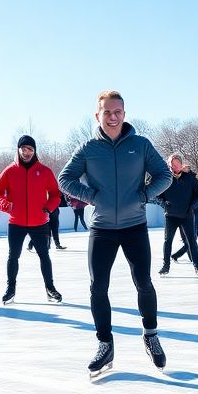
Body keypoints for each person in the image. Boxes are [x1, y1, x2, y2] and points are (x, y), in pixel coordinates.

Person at [59, 90, 172, 377]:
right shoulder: (87, 148)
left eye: (117, 111)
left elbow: (165, 175)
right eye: (107, 112)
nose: (112, 117)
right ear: (98, 115)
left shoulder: (141, 145)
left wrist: (144, 195)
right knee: (98, 287)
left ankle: (150, 334)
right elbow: (65, 179)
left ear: (124, 113)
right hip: (102, 228)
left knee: (144, 282)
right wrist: (92, 196)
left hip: (135, 226)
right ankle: (104, 343)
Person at [0, 135, 63, 304]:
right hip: (16, 223)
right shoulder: (10, 171)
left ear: (34, 151)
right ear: (18, 150)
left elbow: (55, 194)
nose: (27, 152)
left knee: (44, 256)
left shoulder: (44, 171)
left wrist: (48, 208)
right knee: (13, 256)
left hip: (40, 223)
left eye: (30, 149)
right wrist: (6, 206)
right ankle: (11, 289)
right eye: (24, 149)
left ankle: (50, 288)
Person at [159, 155, 198, 276]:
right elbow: (158, 195)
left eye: (178, 164)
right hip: (170, 216)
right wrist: (164, 204)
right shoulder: (166, 178)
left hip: (187, 215)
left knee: (191, 240)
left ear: (181, 164)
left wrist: (191, 207)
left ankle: (197, 265)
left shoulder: (189, 178)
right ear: (169, 165)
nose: (176, 166)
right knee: (167, 241)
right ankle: (166, 266)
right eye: (173, 164)